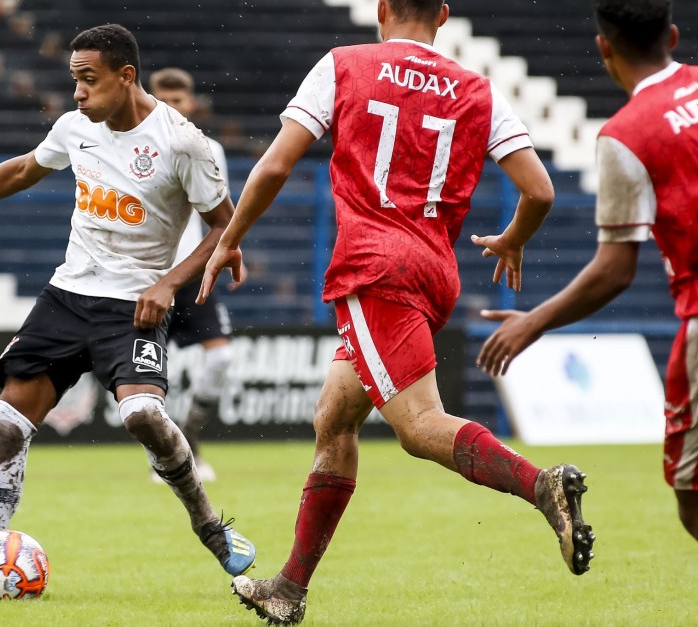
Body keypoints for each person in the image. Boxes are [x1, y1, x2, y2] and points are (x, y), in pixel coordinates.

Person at [197, 1, 596, 623]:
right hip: (434, 270)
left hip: (373, 265)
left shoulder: (343, 65)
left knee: (417, 427)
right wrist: (514, 237)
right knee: (334, 417)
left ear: (381, 9)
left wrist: (229, 238)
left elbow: (276, 162)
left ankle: (540, 485)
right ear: (442, 14)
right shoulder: (478, 90)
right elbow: (540, 190)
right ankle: (288, 588)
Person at [0, 24, 256, 600]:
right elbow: (22, 170)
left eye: (88, 81)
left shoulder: (182, 142)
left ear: (126, 76)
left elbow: (225, 223)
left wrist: (168, 283)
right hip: (67, 296)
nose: (77, 94)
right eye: (74, 81)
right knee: (5, 423)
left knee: (142, 414)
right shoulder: (76, 128)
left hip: (133, 304)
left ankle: (208, 524)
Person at [478, 0, 698, 583]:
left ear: (603, 48)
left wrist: (531, 321)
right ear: (672, 34)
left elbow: (616, 270)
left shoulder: (626, 135)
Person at [148, 67, 246, 482]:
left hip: (191, 273)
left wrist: (220, 253)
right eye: (163, 100)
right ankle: (164, 454)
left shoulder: (207, 148)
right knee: (146, 378)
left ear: (191, 104)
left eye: (178, 100)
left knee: (221, 358)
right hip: (148, 276)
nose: (171, 108)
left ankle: (189, 439)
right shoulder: (135, 147)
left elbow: (220, 215)